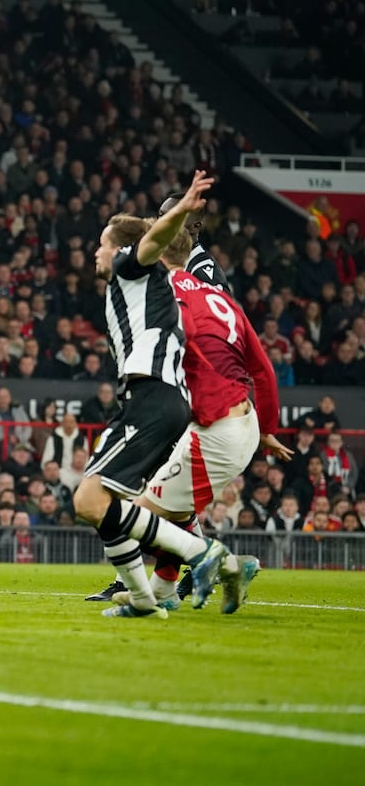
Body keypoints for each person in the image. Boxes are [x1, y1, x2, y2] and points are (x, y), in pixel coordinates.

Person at [98, 217, 286, 615]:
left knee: (131, 518)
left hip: (216, 428)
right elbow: (264, 372)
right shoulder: (221, 298)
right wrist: (267, 429)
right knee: (177, 511)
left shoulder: (165, 297)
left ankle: (231, 566)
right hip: (242, 421)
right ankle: (163, 592)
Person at [80, 173, 246, 619]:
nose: (95, 252)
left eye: (101, 244)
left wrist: (182, 210)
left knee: (96, 501)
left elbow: (152, 243)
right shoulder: (144, 287)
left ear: (119, 250)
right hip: (149, 399)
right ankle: (144, 599)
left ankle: (202, 554)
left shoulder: (134, 267)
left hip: (155, 397)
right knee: (103, 504)